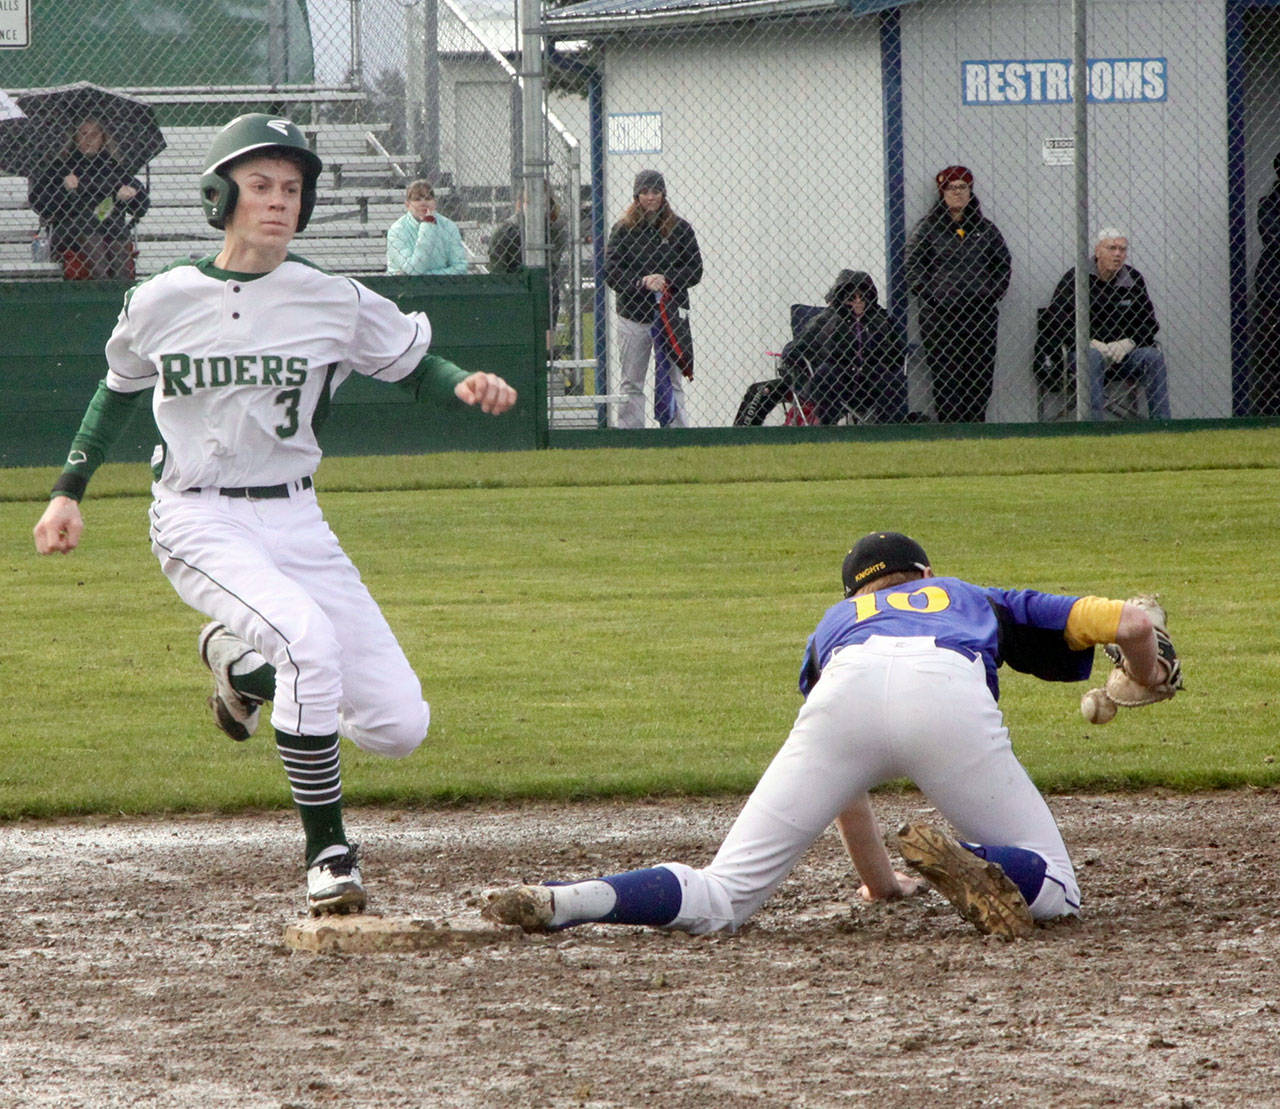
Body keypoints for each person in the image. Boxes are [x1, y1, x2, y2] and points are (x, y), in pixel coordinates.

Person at [32, 114, 517, 916]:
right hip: (198, 518)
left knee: (398, 726)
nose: (278, 202)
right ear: (219, 194)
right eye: (260, 185)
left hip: (298, 519)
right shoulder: (163, 299)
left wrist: (463, 381)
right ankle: (328, 853)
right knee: (307, 645)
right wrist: (66, 493)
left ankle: (235, 666)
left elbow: (411, 360)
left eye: (292, 189)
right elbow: (117, 391)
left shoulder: (329, 297)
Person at [483, 531, 1168, 941]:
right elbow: (1135, 626)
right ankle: (970, 854)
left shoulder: (834, 624)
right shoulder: (968, 593)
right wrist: (1145, 678)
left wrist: (881, 885)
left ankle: (568, 899)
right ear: (926, 574)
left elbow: (848, 790)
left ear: (855, 594)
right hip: (947, 693)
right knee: (1056, 889)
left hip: (846, 697)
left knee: (723, 895)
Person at [905, 166, 1011, 422]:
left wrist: (989, 295)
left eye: (963, 187)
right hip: (940, 319)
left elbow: (1003, 265)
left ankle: (977, 428)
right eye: (952, 188)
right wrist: (934, 298)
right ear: (942, 192)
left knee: (979, 377)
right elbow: (912, 268)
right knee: (946, 378)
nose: (958, 193)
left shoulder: (985, 230)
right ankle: (950, 431)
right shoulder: (927, 229)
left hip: (979, 317)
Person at [603, 169, 703, 428]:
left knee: (673, 377)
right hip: (634, 317)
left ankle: (676, 430)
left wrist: (666, 279)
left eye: (655, 191)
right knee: (631, 380)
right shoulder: (623, 230)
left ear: (663, 194)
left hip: (670, 318)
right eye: (645, 192)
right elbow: (611, 272)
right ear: (636, 196)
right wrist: (642, 282)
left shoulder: (680, 229)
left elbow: (694, 270)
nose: (650, 197)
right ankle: (631, 432)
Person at [1043, 227, 1171, 421]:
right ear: (1097, 251)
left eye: (1122, 249)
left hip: (1122, 355)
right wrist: (1088, 343)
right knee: (1092, 357)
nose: (1118, 254)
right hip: (1084, 353)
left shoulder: (1133, 280)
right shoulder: (1075, 279)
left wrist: (1129, 342)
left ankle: (1163, 425)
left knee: (1152, 357)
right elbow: (1057, 321)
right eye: (1112, 248)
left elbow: (1149, 322)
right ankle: (1094, 427)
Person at [28, 118, 150, 281]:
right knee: (92, 228)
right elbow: (40, 205)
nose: (89, 139)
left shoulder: (113, 166)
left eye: (94, 134)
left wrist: (130, 195)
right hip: (70, 226)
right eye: (83, 134)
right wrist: (63, 189)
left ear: (103, 137)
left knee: (115, 228)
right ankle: (104, 283)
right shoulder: (61, 166)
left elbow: (141, 207)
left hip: (107, 224)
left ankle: (122, 285)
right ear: (75, 137)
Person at [783, 269, 908, 425]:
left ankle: (889, 427)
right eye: (851, 297)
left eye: (863, 297)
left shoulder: (879, 319)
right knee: (825, 373)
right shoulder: (828, 319)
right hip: (839, 376)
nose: (858, 302)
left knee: (893, 378)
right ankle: (826, 425)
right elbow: (796, 347)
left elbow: (896, 351)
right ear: (841, 298)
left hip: (871, 377)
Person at [488, 188, 568, 351]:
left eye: (541, 203)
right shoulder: (506, 231)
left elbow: (552, 265)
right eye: (529, 202)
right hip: (513, 290)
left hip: (544, 287)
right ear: (520, 205)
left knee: (550, 288)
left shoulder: (556, 228)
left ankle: (546, 353)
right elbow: (497, 271)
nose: (535, 208)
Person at [386, 179, 470, 275]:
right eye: (417, 199)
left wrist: (428, 275)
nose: (423, 203)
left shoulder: (448, 226)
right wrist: (428, 226)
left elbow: (460, 268)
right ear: (407, 205)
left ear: (435, 202)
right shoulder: (397, 230)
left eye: (428, 198)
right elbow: (413, 270)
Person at [1253, 158, 1280, 415]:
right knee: (1270, 361)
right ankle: (1269, 413)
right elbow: (1274, 239)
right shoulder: (1269, 204)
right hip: (1274, 295)